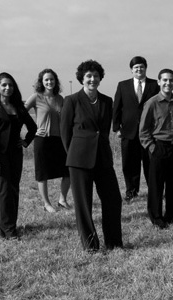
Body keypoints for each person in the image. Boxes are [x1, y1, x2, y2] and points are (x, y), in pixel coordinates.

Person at [60, 60, 123, 252]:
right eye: (88, 76)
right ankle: (90, 246)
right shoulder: (71, 100)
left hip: (103, 157)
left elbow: (103, 130)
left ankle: (113, 243)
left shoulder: (107, 100)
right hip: (79, 159)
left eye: (96, 76)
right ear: (82, 78)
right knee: (83, 205)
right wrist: (74, 153)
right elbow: (65, 133)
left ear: (100, 78)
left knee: (113, 199)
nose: (92, 79)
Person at [0, 72, 37, 239]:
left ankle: (9, 226)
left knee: (13, 189)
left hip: (15, 154)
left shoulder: (19, 107)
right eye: (4, 85)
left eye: (11, 85)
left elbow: (33, 128)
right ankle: (8, 230)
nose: (8, 88)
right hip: (0, 156)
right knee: (4, 190)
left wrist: (25, 141)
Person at [139, 69, 173, 229]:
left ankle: (172, 217)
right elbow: (143, 129)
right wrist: (151, 147)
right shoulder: (152, 103)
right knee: (156, 185)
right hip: (158, 148)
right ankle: (156, 218)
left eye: (171, 80)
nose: (168, 83)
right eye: (165, 80)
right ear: (159, 82)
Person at [113, 56, 160, 203]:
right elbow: (117, 107)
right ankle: (131, 191)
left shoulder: (154, 85)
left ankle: (154, 190)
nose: (139, 69)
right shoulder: (123, 85)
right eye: (136, 67)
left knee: (150, 163)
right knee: (129, 163)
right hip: (128, 131)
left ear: (146, 68)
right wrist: (117, 128)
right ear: (131, 70)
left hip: (150, 132)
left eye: (141, 67)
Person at [24, 69, 71, 213]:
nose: (49, 82)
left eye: (52, 79)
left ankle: (62, 200)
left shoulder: (60, 99)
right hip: (42, 140)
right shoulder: (36, 97)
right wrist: (32, 130)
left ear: (55, 81)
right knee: (42, 173)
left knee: (67, 171)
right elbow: (21, 113)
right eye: (46, 80)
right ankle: (46, 203)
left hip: (59, 140)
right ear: (41, 82)